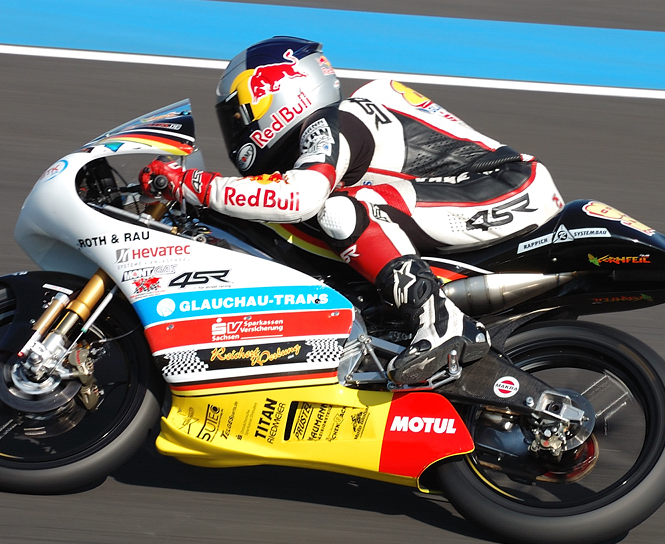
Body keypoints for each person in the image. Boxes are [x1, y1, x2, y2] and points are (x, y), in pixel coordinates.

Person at [139, 36, 565, 385]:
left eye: (239, 116)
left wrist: (191, 183)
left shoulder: (333, 123)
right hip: (475, 193)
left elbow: (299, 197)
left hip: (508, 187)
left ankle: (440, 322)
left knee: (341, 210)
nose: (237, 130)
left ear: (275, 97)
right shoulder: (332, 128)